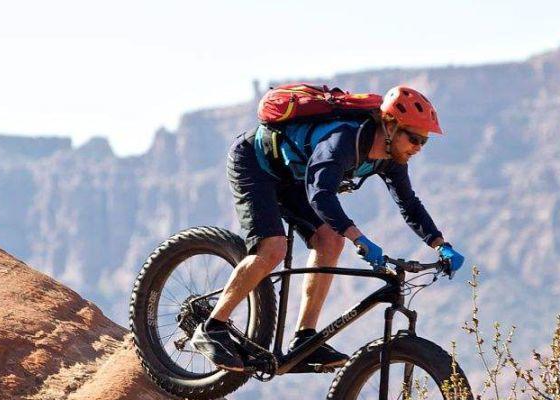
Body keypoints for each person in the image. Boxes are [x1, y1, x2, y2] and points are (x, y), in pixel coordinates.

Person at [190, 86, 465, 372]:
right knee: (273, 248)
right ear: (391, 125)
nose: (418, 147)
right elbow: (321, 195)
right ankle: (212, 327)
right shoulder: (344, 139)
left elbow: (409, 204)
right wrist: (359, 238)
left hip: (296, 178)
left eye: (424, 142)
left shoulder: (391, 158)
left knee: (331, 241)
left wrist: (440, 244)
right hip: (256, 164)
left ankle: (304, 339)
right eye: (414, 138)